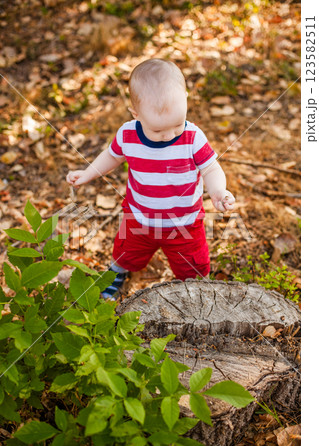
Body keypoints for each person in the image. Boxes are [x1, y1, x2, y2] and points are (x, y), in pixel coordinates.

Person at [66, 58, 235, 299]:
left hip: (184, 224)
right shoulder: (127, 134)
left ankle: (194, 291)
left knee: (193, 266)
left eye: (176, 125)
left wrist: (218, 191)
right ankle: (117, 272)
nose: (168, 135)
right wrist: (88, 173)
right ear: (136, 114)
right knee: (126, 252)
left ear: (185, 101)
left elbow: (210, 168)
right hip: (139, 219)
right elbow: (112, 156)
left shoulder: (192, 137)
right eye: (157, 130)